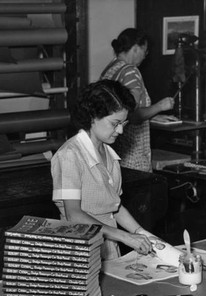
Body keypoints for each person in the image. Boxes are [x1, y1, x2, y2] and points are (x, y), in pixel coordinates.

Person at [51, 79, 159, 260]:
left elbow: (114, 207)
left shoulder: (110, 154)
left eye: (123, 124)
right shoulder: (70, 155)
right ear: (93, 117)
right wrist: (126, 237)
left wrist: (143, 234)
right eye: (115, 123)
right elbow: (73, 214)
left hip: (108, 246)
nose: (121, 131)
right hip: (80, 248)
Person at [100, 28, 175, 172]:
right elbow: (132, 115)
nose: (145, 56)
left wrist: (153, 115)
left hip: (113, 152)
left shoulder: (110, 69)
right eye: (144, 51)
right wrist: (160, 106)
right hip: (132, 156)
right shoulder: (130, 71)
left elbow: (117, 109)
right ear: (135, 48)